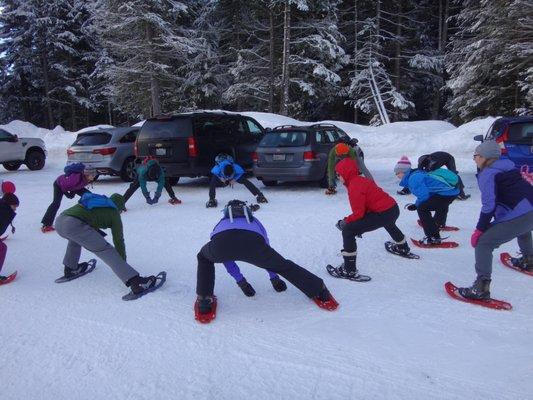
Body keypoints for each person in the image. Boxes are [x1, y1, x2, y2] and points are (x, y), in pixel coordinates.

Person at [195, 199, 338, 315]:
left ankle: (204, 300)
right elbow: (268, 254)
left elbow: (225, 255)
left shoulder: (221, 223)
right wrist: (274, 279)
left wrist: (242, 283)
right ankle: (319, 290)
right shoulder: (255, 222)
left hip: (222, 244)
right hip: (254, 244)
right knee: (283, 265)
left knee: (203, 257)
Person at [458, 141, 533, 299]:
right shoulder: (509, 166)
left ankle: (481, 288)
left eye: (476, 155)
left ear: (485, 157)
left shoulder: (488, 173)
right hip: (530, 210)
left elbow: (488, 206)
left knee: (484, 243)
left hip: (521, 214)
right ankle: (529, 259)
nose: (474, 159)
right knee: (523, 229)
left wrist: (480, 230)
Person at [55, 193, 162, 298]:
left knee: (75, 239)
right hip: (75, 224)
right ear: (119, 207)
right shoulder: (114, 213)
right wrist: (122, 262)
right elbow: (118, 240)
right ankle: (136, 282)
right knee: (105, 249)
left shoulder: (99, 204)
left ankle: (70, 268)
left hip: (60, 222)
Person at [327, 158, 411, 281]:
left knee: (348, 230)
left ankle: (349, 270)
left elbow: (358, 214)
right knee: (388, 223)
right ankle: (403, 247)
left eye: (338, 174)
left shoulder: (354, 186)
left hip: (383, 213)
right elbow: (367, 206)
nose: (338, 177)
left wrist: (344, 222)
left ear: (346, 173)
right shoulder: (360, 180)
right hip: (393, 209)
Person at [395, 159, 460, 245]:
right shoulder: (417, 173)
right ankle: (438, 223)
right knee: (439, 204)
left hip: (447, 193)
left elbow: (423, 195)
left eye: (397, 173)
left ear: (404, 171)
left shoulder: (413, 179)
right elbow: (428, 192)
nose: (396, 175)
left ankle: (433, 237)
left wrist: (417, 205)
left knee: (422, 209)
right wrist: (416, 204)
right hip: (452, 191)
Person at [41, 164, 96, 232]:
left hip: (74, 186)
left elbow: (76, 186)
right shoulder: (76, 178)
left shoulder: (86, 178)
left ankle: (89, 217)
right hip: (59, 184)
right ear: (87, 174)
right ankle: (46, 224)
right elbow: (64, 185)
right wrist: (68, 194)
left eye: (94, 175)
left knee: (89, 196)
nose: (94, 177)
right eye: (92, 175)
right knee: (56, 203)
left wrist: (73, 192)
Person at [0, 194, 19, 281]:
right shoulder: (4, 212)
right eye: (14, 206)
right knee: (2, 248)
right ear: (8, 204)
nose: (15, 209)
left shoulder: (3, 208)